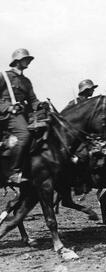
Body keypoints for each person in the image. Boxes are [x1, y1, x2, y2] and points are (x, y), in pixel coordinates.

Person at [0, 48, 47, 184]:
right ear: (17, 61)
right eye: (26, 59)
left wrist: (40, 105)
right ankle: (13, 172)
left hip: (23, 114)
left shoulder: (26, 81)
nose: (28, 62)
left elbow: (32, 100)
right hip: (7, 115)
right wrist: (8, 107)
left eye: (28, 59)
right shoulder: (4, 76)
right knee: (24, 135)